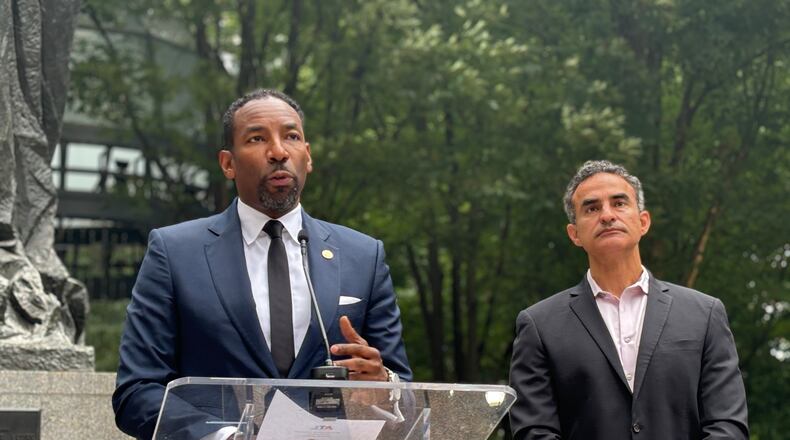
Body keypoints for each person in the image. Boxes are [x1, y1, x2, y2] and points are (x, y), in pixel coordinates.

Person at [112, 89, 412, 439]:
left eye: (291, 136)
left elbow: (404, 391)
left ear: (308, 156)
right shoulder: (174, 252)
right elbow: (136, 393)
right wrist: (227, 437)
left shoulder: (364, 255)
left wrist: (384, 385)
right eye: (257, 138)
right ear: (228, 163)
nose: (279, 152)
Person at [508, 160, 748, 439]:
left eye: (619, 203)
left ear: (643, 222)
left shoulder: (704, 314)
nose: (607, 215)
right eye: (592, 208)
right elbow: (534, 432)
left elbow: (727, 426)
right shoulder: (539, 326)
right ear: (574, 234)